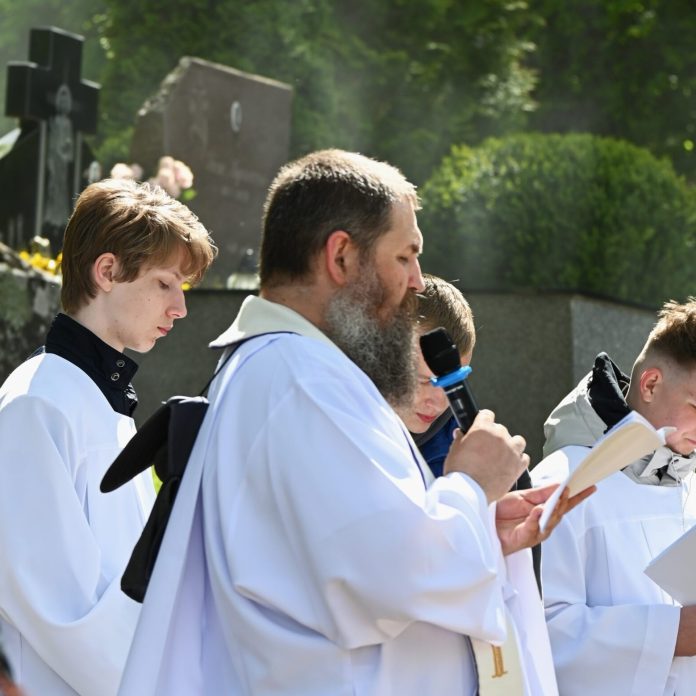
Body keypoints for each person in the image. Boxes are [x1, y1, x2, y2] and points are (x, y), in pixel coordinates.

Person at [116, 149, 589, 696]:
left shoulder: (299, 372)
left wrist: (483, 524)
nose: (417, 283)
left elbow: (344, 553)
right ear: (341, 257)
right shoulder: (301, 379)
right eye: (405, 257)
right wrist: (470, 483)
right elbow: (387, 574)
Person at [0, 178, 216, 696]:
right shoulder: (36, 403)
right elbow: (61, 610)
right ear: (108, 271)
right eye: (166, 284)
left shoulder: (102, 401)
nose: (180, 309)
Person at [532, 299, 696, 695]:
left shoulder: (690, 478)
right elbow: (537, 633)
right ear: (651, 384)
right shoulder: (562, 482)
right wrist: (669, 634)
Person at [395, 273, 542, 591]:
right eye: (423, 380)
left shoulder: (495, 457)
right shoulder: (353, 436)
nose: (438, 399)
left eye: (452, 382)